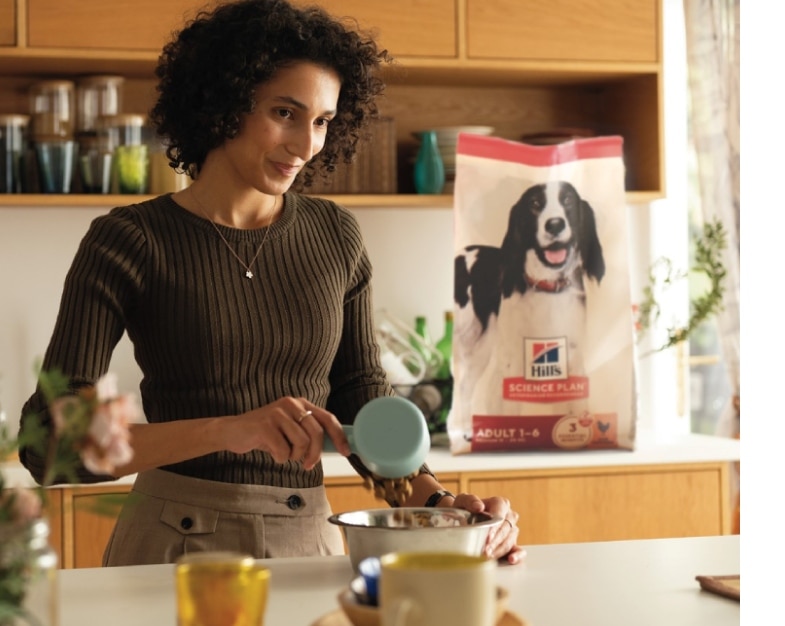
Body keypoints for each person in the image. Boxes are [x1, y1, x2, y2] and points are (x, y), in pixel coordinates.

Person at [18, 0, 524, 566]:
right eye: (285, 112)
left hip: (308, 540)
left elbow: (363, 406)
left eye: (322, 121)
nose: (306, 144)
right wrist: (227, 430)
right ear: (223, 102)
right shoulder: (130, 239)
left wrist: (448, 509)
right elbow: (48, 446)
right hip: (171, 547)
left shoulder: (337, 235)